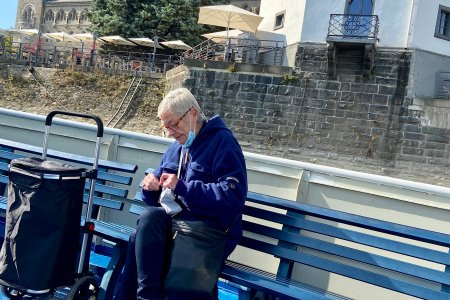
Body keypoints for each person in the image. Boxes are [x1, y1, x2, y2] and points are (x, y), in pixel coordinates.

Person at [115, 87, 248, 300]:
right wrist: (151, 187)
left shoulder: (223, 142)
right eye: (165, 127)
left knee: (142, 238)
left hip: (207, 232)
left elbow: (232, 197)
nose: (170, 132)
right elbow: (156, 200)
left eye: (173, 124)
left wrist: (183, 187)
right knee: (146, 223)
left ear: (192, 113)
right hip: (177, 226)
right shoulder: (177, 147)